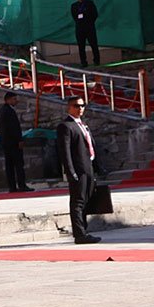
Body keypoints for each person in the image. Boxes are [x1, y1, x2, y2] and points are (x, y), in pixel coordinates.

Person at [58, 96, 102, 244]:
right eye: (77, 106)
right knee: (78, 202)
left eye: (83, 106)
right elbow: (65, 152)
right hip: (78, 169)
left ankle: (84, 230)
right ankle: (79, 234)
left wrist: (97, 166)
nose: (80, 109)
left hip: (88, 167)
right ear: (69, 107)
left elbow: (91, 146)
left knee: (86, 200)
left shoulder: (83, 125)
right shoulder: (66, 126)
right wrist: (70, 171)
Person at [0, 91, 31, 192]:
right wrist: (19, 140)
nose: (16, 101)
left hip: (6, 141)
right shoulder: (8, 111)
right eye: (14, 99)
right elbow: (13, 128)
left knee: (10, 165)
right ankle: (21, 185)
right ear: (8, 100)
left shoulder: (3, 110)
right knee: (18, 164)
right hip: (12, 142)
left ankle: (12, 186)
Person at [71, 0, 100, 67]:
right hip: (80, 29)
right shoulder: (74, 6)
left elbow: (95, 14)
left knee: (94, 44)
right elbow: (74, 16)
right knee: (81, 46)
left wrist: (89, 22)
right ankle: (83, 62)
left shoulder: (90, 3)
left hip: (89, 28)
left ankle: (96, 61)